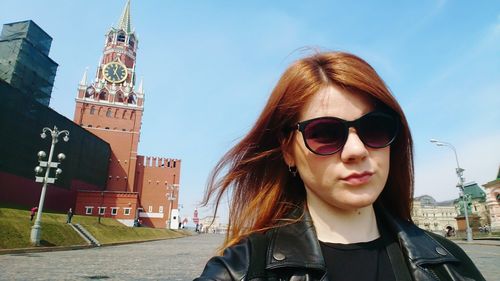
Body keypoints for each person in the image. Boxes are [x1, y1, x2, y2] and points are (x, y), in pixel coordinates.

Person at [195, 51, 485, 281]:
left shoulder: (449, 264)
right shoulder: (241, 269)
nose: (357, 151)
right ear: (288, 152)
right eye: (324, 133)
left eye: (375, 129)